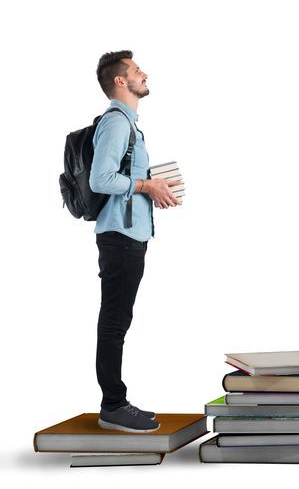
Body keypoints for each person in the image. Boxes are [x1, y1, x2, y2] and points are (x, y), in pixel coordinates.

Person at [88, 51, 181, 432]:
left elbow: (118, 177)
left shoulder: (128, 124)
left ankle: (115, 402)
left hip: (130, 236)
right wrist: (146, 185)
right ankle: (113, 405)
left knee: (117, 320)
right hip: (120, 237)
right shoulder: (116, 123)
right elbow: (100, 179)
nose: (145, 74)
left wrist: (154, 186)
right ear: (120, 82)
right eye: (137, 70)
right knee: (113, 322)